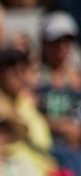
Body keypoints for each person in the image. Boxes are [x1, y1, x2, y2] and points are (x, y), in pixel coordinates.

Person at [36, 12, 81, 153]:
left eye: (66, 41)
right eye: (56, 41)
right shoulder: (34, 79)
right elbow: (28, 115)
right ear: (45, 43)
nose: (62, 47)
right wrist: (61, 126)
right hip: (44, 149)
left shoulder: (77, 80)